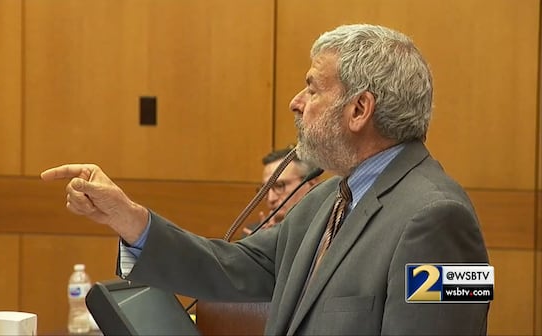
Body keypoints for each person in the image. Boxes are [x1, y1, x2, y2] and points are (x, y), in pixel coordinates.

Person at [41, 23, 489, 335]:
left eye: (313, 88)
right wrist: (130, 219)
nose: (297, 102)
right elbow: (237, 269)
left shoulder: (441, 218)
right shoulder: (328, 198)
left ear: (359, 110)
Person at [242, 146, 321, 235]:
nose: (271, 199)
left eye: (280, 186)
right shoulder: (256, 234)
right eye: (265, 190)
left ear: (311, 183)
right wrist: (259, 246)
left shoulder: (330, 229)